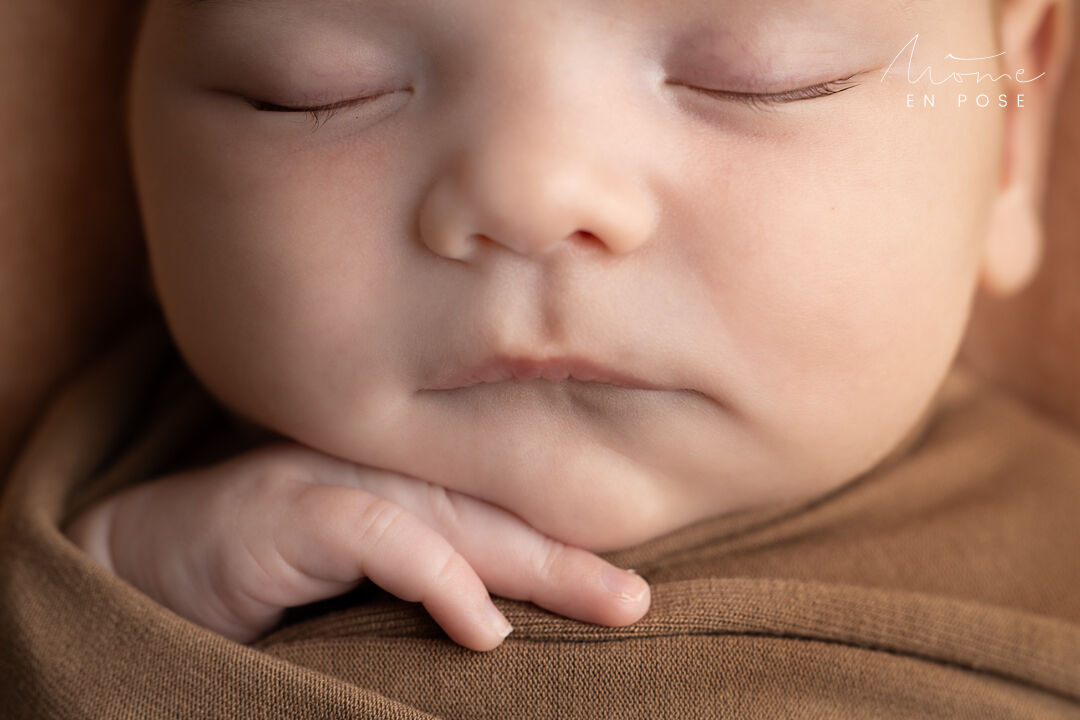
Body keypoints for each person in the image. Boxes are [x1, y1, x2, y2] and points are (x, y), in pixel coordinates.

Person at [3, 0, 1079, 716]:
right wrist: (109, 609)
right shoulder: (106, 528)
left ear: (1013, 127)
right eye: (311, 86)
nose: (531, 194)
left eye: (762, 75)